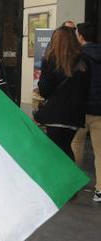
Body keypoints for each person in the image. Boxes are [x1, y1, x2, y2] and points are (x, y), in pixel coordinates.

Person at [38, 26, 90, 160]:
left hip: (55, 114)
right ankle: (70, 178)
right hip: (74, 116)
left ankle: (60, 179)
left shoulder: (50, 60)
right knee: (66, 147)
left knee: (55, 152)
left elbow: (44, 90)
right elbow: (86, 88)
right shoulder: (84, 61)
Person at [71, 22, 101, 202]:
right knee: (100, 151)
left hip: (82, 109)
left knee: (76, 145)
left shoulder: (79, 56)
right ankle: (100, 190)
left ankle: (73, 185)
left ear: (81, 37)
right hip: (100, 109)